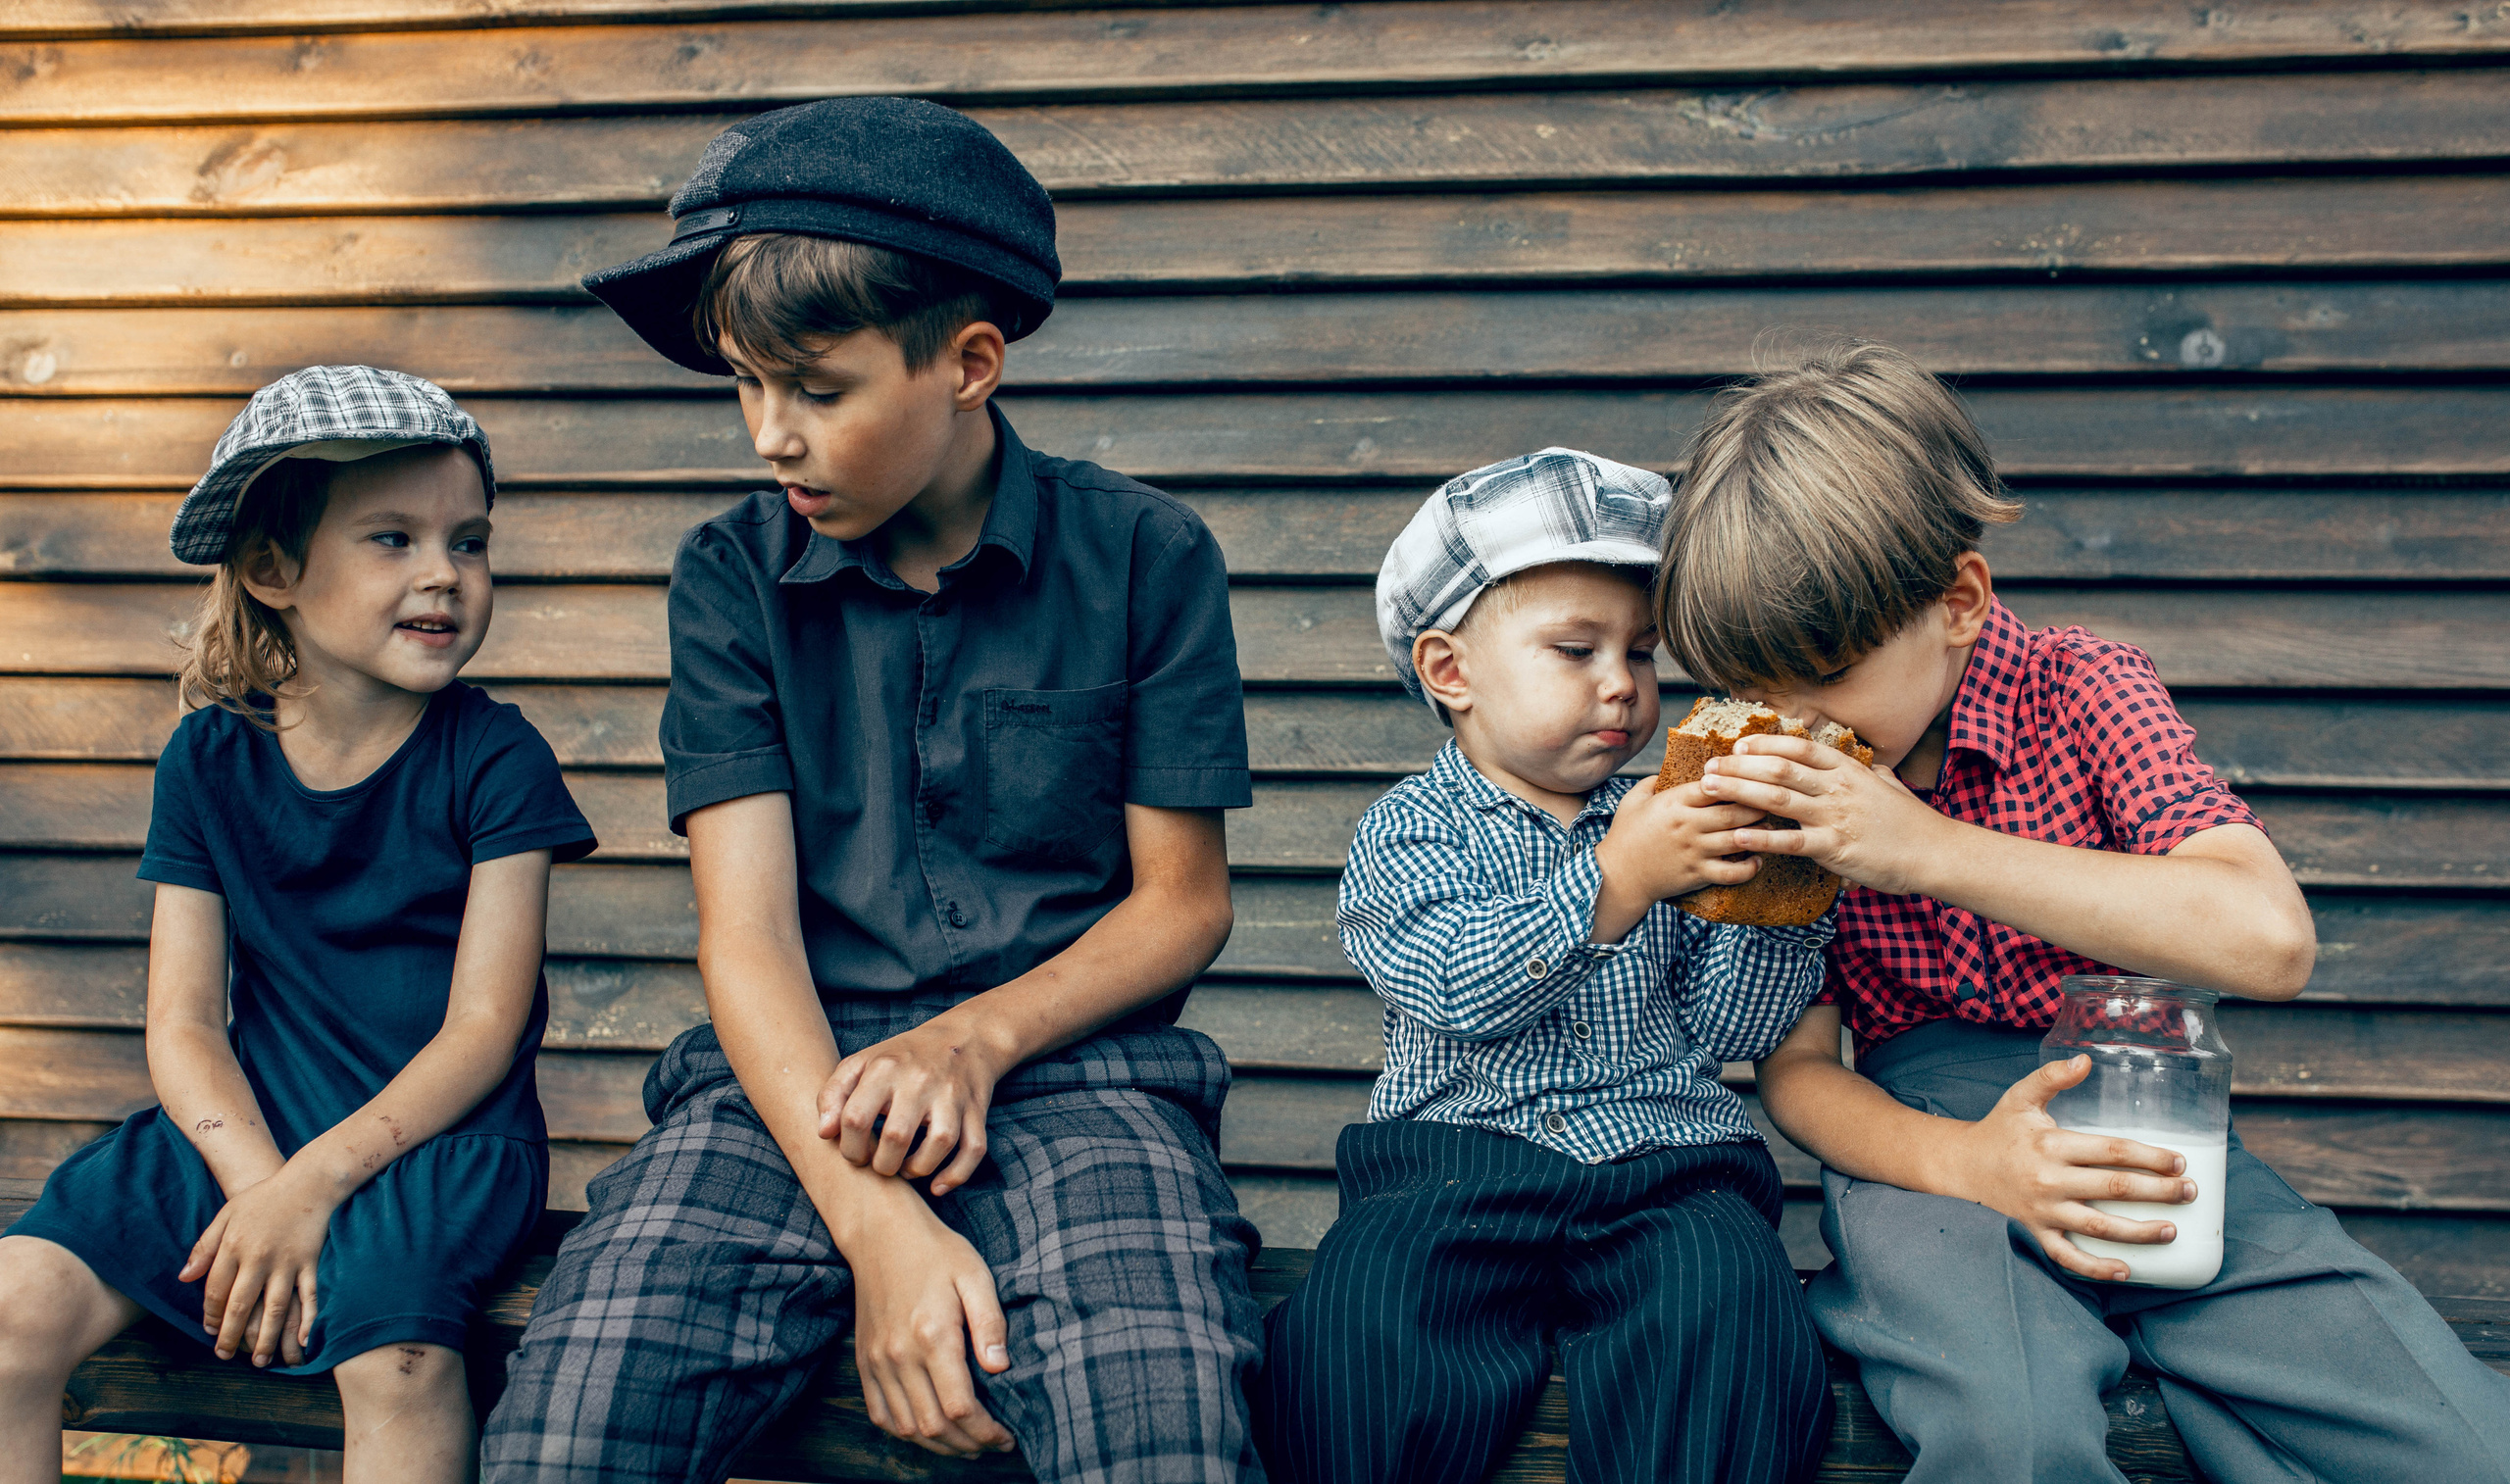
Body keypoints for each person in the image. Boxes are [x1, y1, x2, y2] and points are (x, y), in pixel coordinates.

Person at [479, 98, 1266, 1484]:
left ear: (968, 365)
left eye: (818, 390)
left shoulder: (1148, 555)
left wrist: (968, 1044)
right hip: (781, 1081)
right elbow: (747, 938)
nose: (769, 437)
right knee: (573, 1417)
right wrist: (882, 1231)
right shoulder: (729, 577)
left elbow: (1181, 907)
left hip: (1079, 1073)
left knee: (1166, 1424)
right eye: (745, 386)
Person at [1655, 339, 2510, 1483]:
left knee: (2453, 1436)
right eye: (1752, 690)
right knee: (2011, 1431)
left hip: (2147, 1118)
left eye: (1820, 680)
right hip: (1928, 1156)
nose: (1786, 727)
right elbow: (1798, 1074)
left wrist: (1928, 851)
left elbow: (2266, 939)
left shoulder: (2086, 688)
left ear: (1957, 600)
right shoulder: (1775, 791)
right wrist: (1972, 1163)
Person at [0, 365, 595, 1484]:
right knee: (12, 1303)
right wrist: (256, 1183)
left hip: (438, 1136)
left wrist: (310, 1189)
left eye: (469, 541)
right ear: (274, 567)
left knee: (397, 1361)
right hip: (247, 1125)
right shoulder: (210, 758)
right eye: (392, 539)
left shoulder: (495, 757)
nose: (444, 575)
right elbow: (183, 1022)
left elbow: (482, 1028)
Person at [1255, 450, 1835, 1484]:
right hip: (1450, 1164)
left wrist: (1776, 898)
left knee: (1730, 1297)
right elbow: (1451, 984)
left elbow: (1729, 1029)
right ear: (1450, 671)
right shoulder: (1408, 829)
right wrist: (1614, 880)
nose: (1621, 682)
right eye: (1575, 648)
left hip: (1667, 1165)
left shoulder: (1676, 812)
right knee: (1357, 1319)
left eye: (1642, 653)